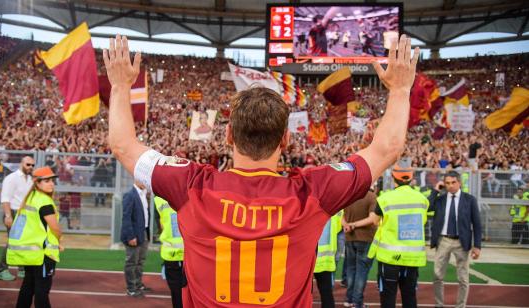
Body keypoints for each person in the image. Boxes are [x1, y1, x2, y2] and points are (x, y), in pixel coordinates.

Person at [104, 34, 419, 306]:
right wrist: (400, 89)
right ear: (285, 139)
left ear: (228, 135)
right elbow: (387, 148)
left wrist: (120, 85)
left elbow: (122, 145)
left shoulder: (190, 184)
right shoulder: (313, 191)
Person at [367, 165, 429, 308]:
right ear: (411, 179)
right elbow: (422, 221)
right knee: (410, 296)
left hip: (389, 257)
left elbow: (375, 221)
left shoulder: (385, 198)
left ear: (394, 179)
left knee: (388, 297)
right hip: (412, 258)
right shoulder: (422, 199)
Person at [6, 166, 62, 308]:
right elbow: (55, 228)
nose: (51, 184)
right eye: (46, 181)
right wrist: (59, 241)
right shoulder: (45, 202)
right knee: (42, 290)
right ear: (37, 183)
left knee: (28, 286)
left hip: (30, 253)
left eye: (52, 181)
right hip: (42, 253)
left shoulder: (30, 198)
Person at [429, 171, 482, 308]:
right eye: (447, 183)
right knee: (437, 276)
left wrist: (477, 246)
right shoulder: (440, 199)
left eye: (453, 182)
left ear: (459, 182)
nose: (450, 186)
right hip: (443, 240)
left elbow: (477, 224)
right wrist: (435, 190)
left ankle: (460, 306)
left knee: (463, 278)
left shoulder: (470, 200)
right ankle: (439, 305)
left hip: (461, 242)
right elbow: (428, 206)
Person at [0, 156, 34, 281]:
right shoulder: (11, 178)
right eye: (28, 164)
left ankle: (21, 268)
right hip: (13, 213)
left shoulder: (30, 179)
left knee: (24, 242)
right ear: (21, 164)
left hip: (25, 214)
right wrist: (8, 216)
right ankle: (1, 270)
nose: (30, 167)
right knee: (12, 243)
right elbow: (5, 198)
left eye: (33, 165)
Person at [341, 190, 377, 308]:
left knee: (351, 269)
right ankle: (357, 302)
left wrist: (347, 225)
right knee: (361, 271)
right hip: (365, 238)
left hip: (350, 237)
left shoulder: (349, 195)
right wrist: (353, 225)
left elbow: (342, 217)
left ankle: (349, 299)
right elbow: (372, 219)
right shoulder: (371, 197)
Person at [121, 181, 151, 297]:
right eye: (144, 180)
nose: (146, 182)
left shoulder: (143, 194)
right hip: (134, 234)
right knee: (132, 262)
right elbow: (126, 217)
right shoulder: (130, 195)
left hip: (143, 232)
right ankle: (131, 288)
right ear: (136, 180)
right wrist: (130, 236)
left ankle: (138, 284)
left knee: (140, 261)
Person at [155, 196, 185, 308]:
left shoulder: (158, 199)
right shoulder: (190, 193)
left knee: (176, 295)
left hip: (171, 255)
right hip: (190, 255)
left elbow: (160, 226)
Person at [313, 213, 342, 308]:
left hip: (307, 258)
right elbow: (338, 227)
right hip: (326, 259)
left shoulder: (307, 203)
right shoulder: (335, 207)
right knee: (326, 294)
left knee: (304, 295)